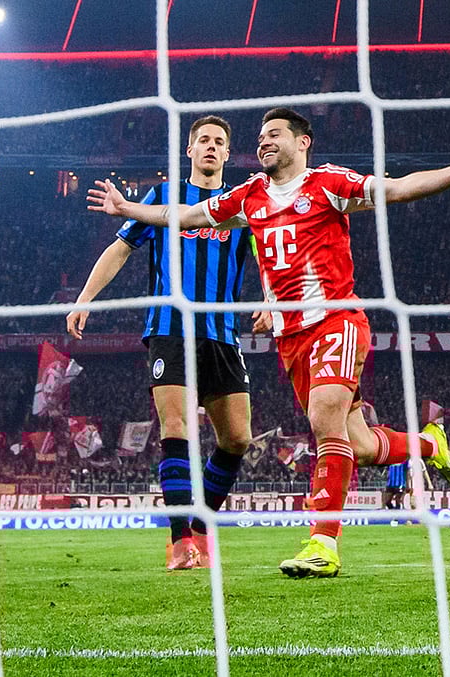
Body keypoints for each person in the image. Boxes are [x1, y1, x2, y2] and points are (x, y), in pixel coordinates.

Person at [88, 107, 450, 577]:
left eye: (274, 135)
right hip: (291, 339)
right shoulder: (248, 198)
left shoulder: (329, 184)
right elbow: (183, 213)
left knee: (322, 418)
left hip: (336, 319)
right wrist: (127, 209)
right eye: (260, 136)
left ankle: (322, 543)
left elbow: (396, 189)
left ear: (302, 142)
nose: (264, 142)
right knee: (361, 445)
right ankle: (429, 445)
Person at [68, 115, 269, 570]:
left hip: (221, 333)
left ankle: (200, 527)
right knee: (176, 428)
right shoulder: (162, 198)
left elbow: (269, 257)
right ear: (190, 151)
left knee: (237, 438)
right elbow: (120, 248)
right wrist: (84, 300)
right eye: (203, 141)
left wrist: (272, 301)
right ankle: (180, 542)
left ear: (228, 152)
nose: (212, 147)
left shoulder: (244, 205)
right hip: (170, 329)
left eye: (220, 142)